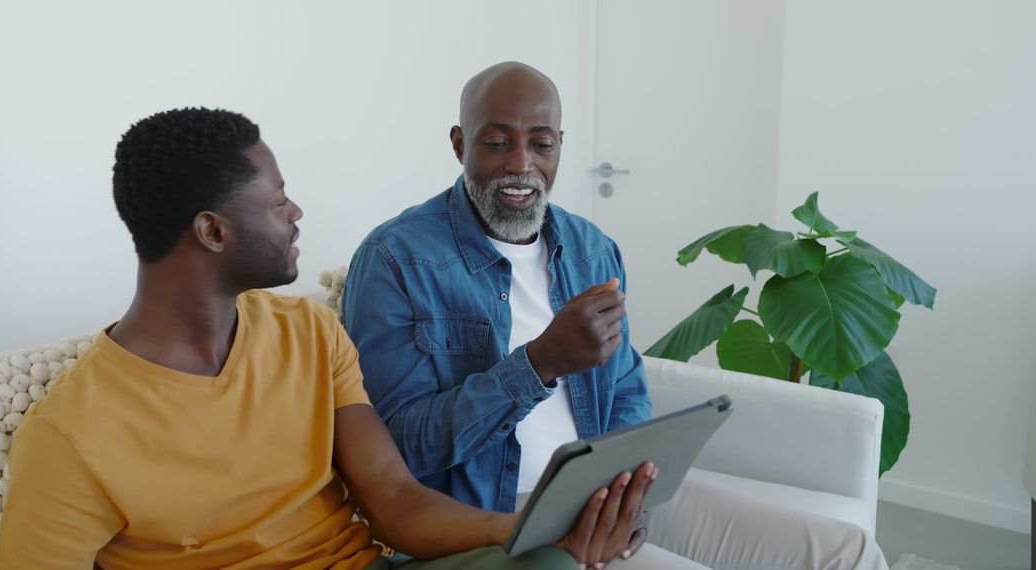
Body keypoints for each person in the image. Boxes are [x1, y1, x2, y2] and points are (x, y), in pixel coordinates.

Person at [0, 107, 656, 570]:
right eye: (278, 199)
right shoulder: (69, 438)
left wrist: (536, 530)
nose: (296, 213)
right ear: (213, 231)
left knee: (549, 565)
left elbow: (395, 499)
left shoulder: (309, 332)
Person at [342, 62, 890, 570]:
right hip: (501, 514)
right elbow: (400, 450)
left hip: (609, 492)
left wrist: (633, 487)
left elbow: (626, 389)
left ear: (560, 146)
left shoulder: (590, 249)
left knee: (846, 551)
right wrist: (538, 364)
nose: (520, 165)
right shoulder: (396, 259)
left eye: (541, 143)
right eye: (495, 142)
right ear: (459, 143)